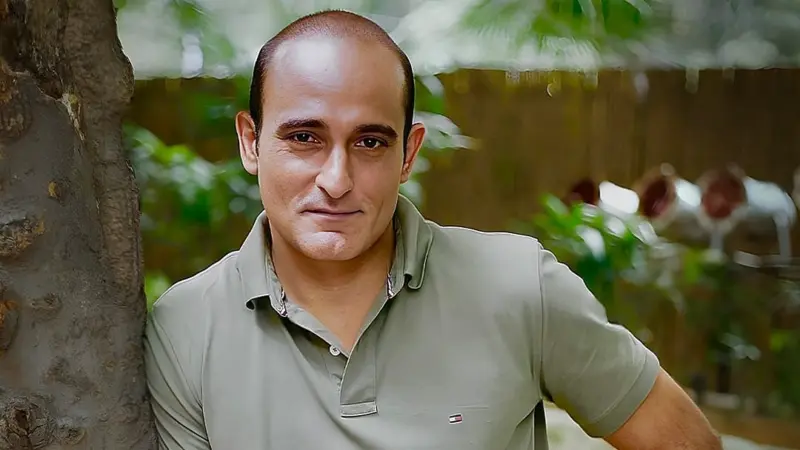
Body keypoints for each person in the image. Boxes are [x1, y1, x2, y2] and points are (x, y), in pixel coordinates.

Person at [144, 9, 722, 450]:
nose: (336, 180)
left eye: (370, 142)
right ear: (251, 142)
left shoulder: (520, 287)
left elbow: (686, 441)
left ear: (408, 153)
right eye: (304, 138)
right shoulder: (187, 327)